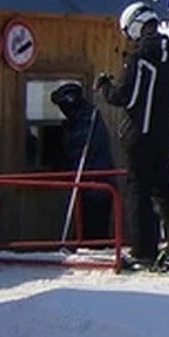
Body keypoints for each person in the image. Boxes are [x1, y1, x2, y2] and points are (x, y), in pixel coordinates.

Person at [95, 2, 169, 270]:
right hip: (167, 135)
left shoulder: (140, 58)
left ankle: (144, 250)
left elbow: (126, 96)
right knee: (164, 187)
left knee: (138, 191)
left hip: (140, 135)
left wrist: (106, 87)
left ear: (136, 28)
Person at [51, 80, 116, 242]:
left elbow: (79, 150)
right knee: (87, 228)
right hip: (89, 185)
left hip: (96, 185)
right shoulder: (79, 120)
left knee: (94, 230)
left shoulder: (88, 121)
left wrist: (63, 164)